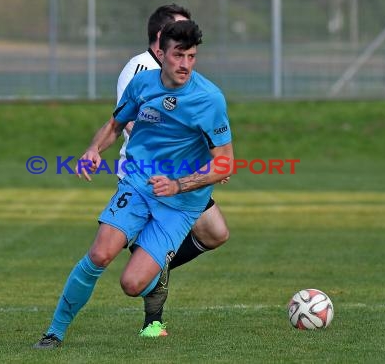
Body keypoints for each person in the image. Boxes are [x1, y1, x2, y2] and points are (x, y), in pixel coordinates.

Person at [33, 19, 234, 349]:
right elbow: (115, 125)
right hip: (138, 184)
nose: (185, 64)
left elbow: (225, 163)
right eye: (178, 55)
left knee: (132, 283)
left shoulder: (209, 99)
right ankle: (54, 332)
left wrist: (178, 185)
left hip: (181, 203)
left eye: (192, 56)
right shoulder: (142, 85)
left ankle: (155, 266)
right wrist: (93, 149)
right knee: (99, 254)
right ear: (161, 52)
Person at [116, 4, 230, 338]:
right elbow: (133, 126)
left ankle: (150, 262)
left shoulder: (184, 79)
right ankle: (152, 321)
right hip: (146, 177)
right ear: (160, 42)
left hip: (180, 178)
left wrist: (209, 164)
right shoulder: (140, 71)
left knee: (215, 233)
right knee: (165, 241)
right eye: (180, 32)